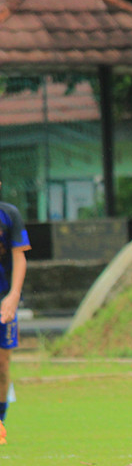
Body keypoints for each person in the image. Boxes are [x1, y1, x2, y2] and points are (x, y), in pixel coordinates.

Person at [0, 186, 30, 443]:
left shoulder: (9, 215)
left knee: (2, 363)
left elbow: (19, 257)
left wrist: (13, 295)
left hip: (3, 300)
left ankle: (0, 422)